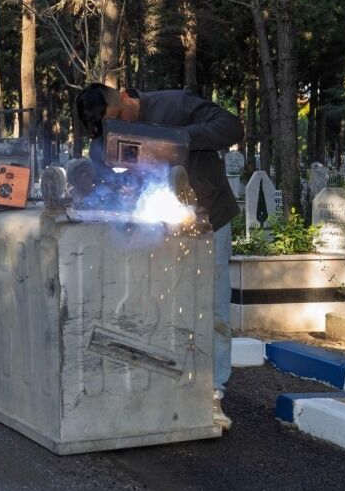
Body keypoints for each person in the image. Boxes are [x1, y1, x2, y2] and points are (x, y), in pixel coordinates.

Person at [75, 83, 244, 432]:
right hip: (153, 227)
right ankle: (161, 383)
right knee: (158, 306)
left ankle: (212, 392)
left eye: (120, 118)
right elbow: (102, 177)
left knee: (212, 309)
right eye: (110, 126)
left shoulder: (175, 105)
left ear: (123, 96)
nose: (119, 127)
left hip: (208, 218)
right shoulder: (103, 139)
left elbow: (232, 127)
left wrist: (176, 139)